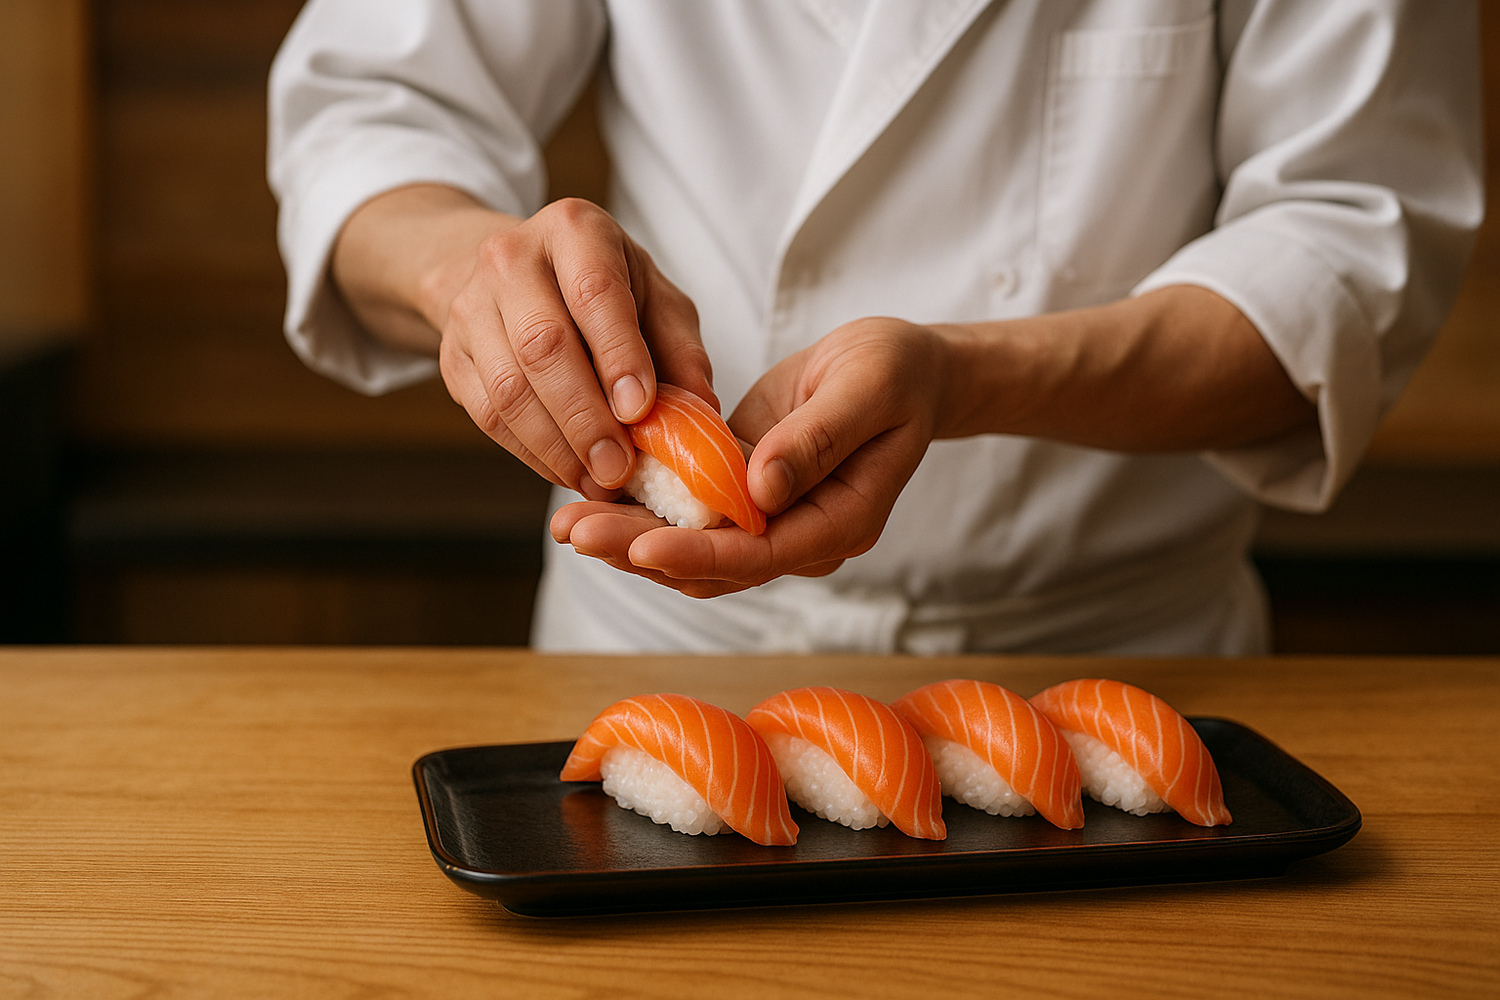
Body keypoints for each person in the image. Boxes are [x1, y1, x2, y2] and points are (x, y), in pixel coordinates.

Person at [269, 1, 1483, 654]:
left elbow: (1346, 243)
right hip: (655, 640)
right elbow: (373, 111)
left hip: (1105, 655)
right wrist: (472, 275)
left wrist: (964, 378)